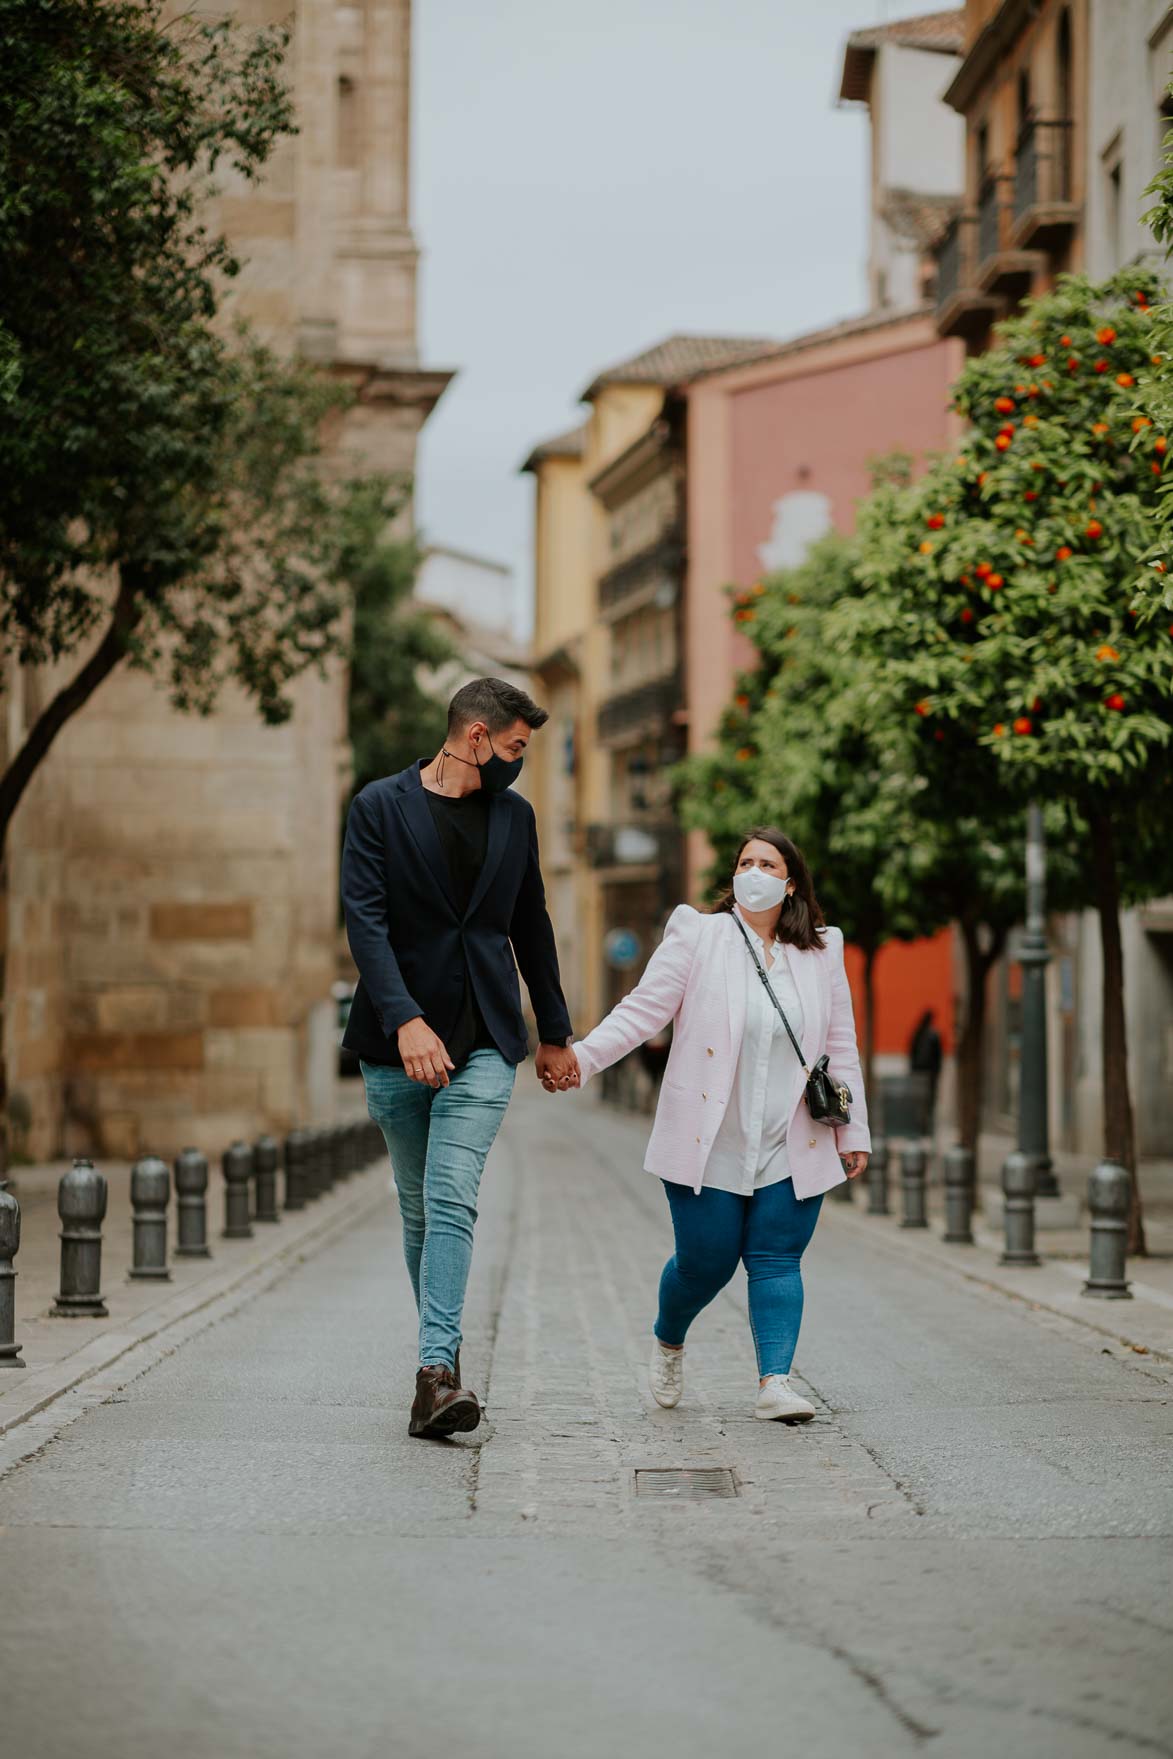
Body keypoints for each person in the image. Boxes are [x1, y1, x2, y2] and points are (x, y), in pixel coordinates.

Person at [562, 828, 869, 1422]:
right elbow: (643, 1009)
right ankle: (669, 1335)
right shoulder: (698, 935)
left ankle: (775, 1382)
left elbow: (841, 1045)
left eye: (768, 863)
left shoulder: (822, 950)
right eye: (745, 862)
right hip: (710, 1137)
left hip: (791, 1134)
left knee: (777, 1258)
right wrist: (583, 1060)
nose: (753, 871)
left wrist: (852, 1132)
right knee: (706, 1262)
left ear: (790, 882)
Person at [341, 677, 579, 1440]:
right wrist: (405, 1019)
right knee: (418, 1208)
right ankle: (436, 1360)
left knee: (450, 1195)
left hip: (484, 1039)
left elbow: (530, 921)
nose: (518, 761)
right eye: (514, 746)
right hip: (394, 1045)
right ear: (475, 736)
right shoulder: (379, 806)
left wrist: (553, 1029)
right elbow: (366, 922)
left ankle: (435, 1374)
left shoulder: (514, 816)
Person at [909, 1007, 943, 1127]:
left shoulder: (918, 1033)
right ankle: (925, 1125)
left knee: (919, 1101)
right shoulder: (933, 1035)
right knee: (928, 1101)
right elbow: (938, 1058)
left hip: (919, 1073)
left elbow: (911, 1052)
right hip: (929, 1075)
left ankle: (920, 1125)